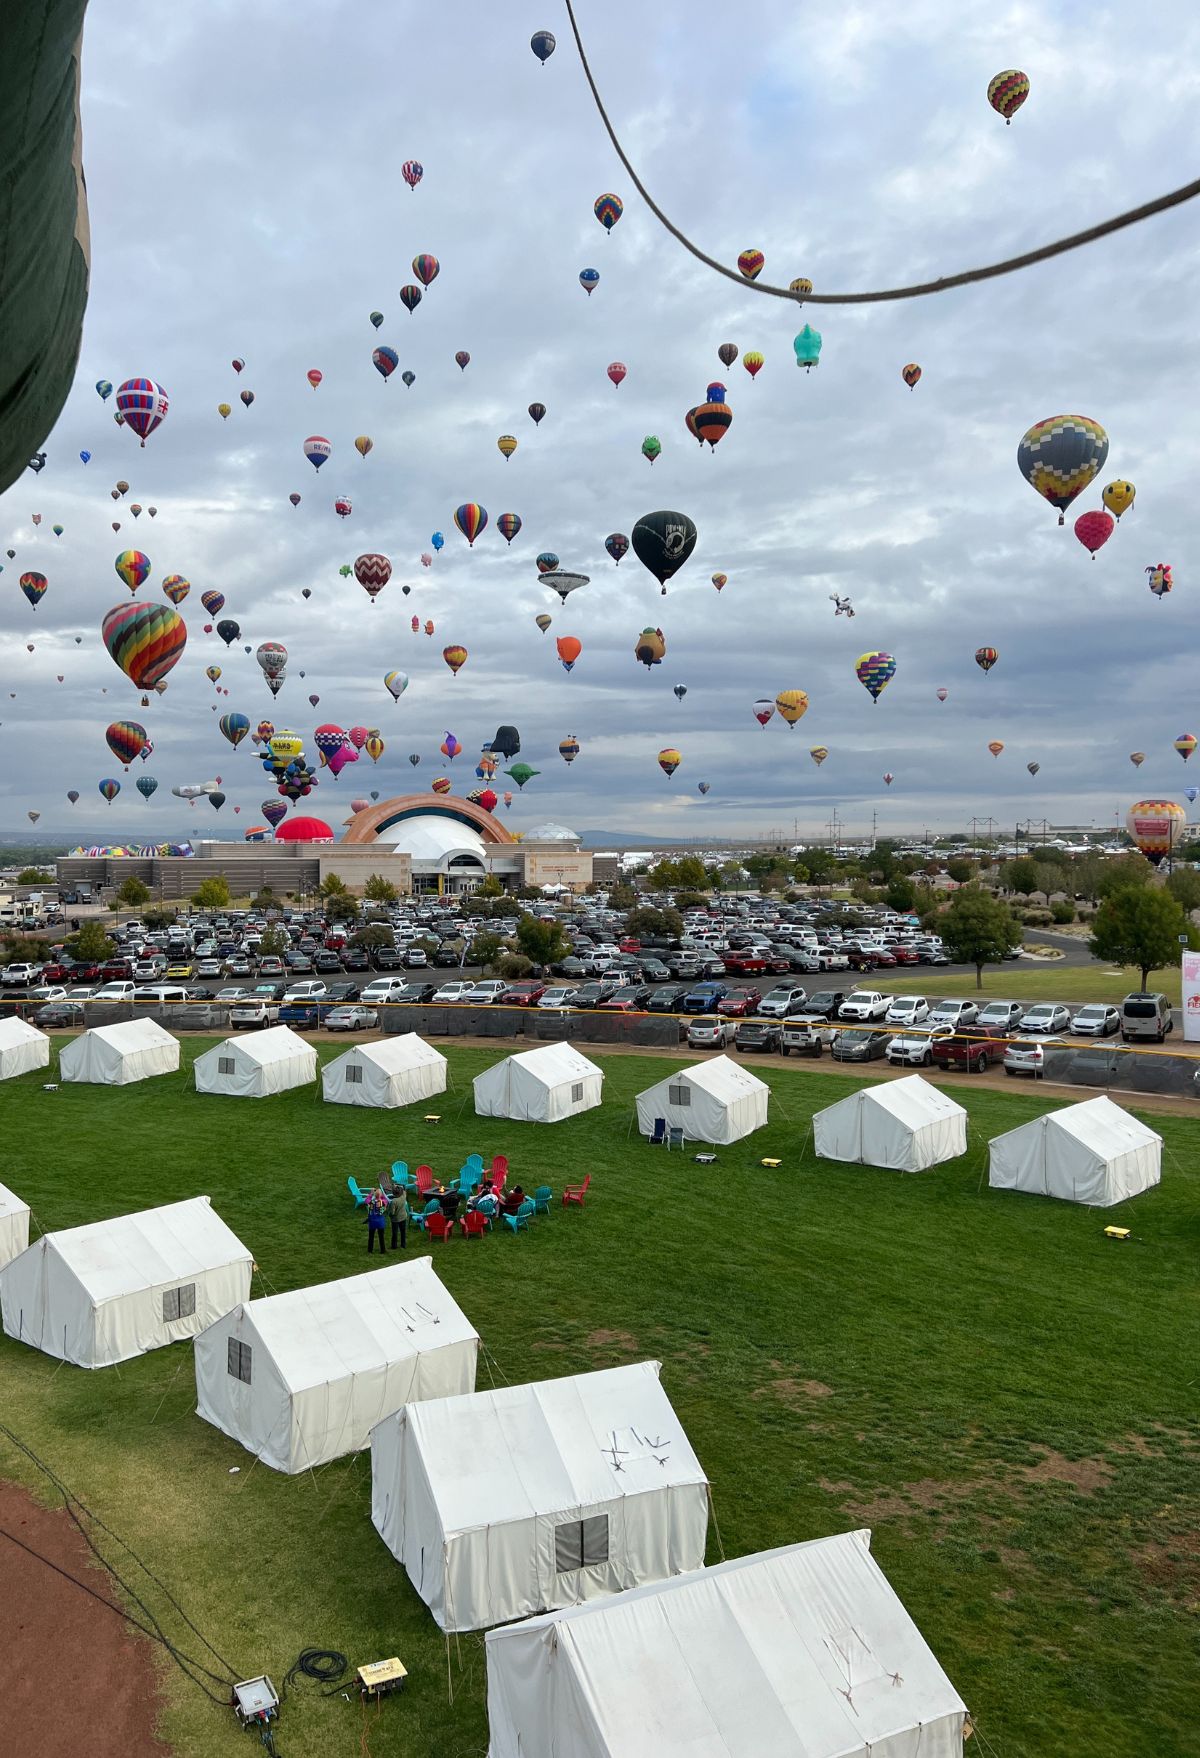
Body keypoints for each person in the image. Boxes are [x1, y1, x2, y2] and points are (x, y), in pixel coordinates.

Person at [365, 1186, 388, 1254]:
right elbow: (386, 1200)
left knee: (371, 1237)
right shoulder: (382, 1202)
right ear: (380, 1195)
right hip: (380, 1223)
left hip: (372, 1222)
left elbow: (366, 1200)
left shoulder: (371, 1202)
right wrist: (381, 1194)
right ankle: (383, 1250)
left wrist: (371, 1194)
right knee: (381, 1237)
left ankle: (370, 1250)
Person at [388, 1186, 408, 1250]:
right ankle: (403, 1245)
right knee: (403, 1232)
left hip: (395, 1219)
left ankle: (394, 1246)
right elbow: (404, 1191)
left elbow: (392, 1212)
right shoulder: (403, 1197)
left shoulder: (394, 1201)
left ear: (393, 1193)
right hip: (403, 1216)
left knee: (395, 1232)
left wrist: (390, 1215)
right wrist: (399, 1187)